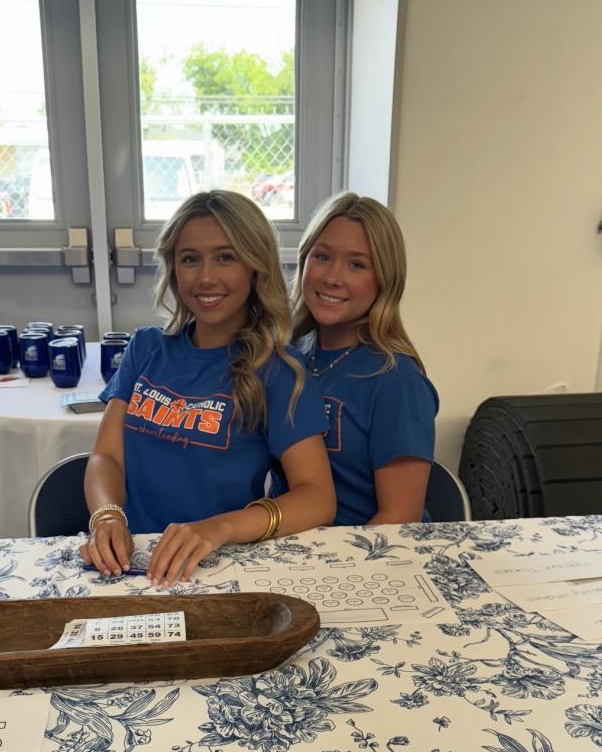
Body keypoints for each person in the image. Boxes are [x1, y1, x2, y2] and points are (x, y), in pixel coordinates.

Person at [80, 190, 335, 585]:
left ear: (255, 267)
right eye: (190, 259)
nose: (205, 277)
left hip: (215, 566)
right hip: (130, 563)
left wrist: (219, 528)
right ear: (173, 269)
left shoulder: (277, 370)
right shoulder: (146, 347)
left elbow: (317, 498)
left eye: (225, 257)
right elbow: (106, 457)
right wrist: (107, 517)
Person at [282, 191, 438, 526]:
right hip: (291, 545)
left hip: (366, 551)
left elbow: (400, 518)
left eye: (357, 264)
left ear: (385, 280)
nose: (332, 277)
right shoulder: (289, 356)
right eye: (322, 256)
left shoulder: (398, 381)